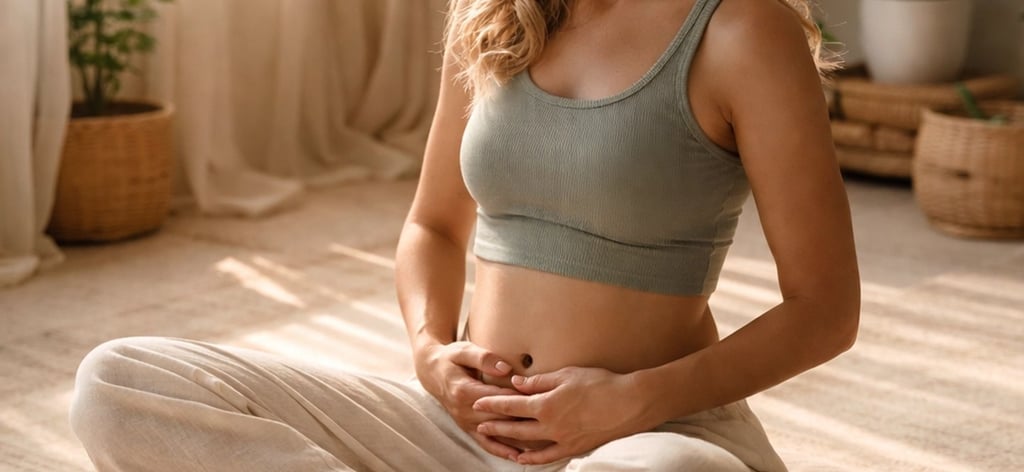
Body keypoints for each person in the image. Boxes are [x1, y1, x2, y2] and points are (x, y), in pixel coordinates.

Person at [69, 0, 859, 470]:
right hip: (460, 430)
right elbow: (432, 226)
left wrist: (631, 402)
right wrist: (429, 355)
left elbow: (825, 308)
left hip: (647, 439)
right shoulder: (493, 14)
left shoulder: (745, 28)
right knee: (120, 383)